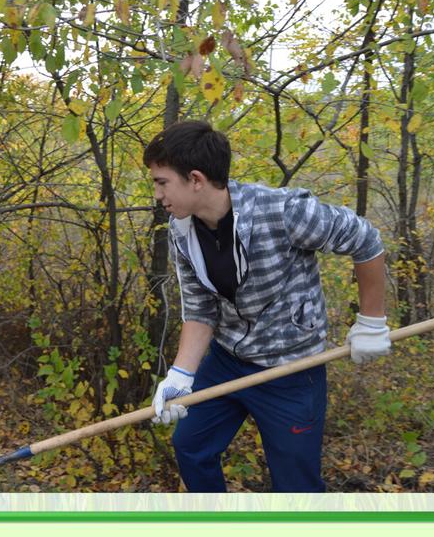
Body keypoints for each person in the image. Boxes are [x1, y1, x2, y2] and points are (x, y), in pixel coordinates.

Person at [143, 120, 390, 493]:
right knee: (191, 447)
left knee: (296, 484)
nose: (157, 194)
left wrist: (372, 320)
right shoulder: (183, 232)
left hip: (290, 371)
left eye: (162, 182)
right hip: (227, 361)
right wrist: (181, 374)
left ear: (195, 179)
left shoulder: (282, 211)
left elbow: (365, 239)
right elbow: (200, 309)